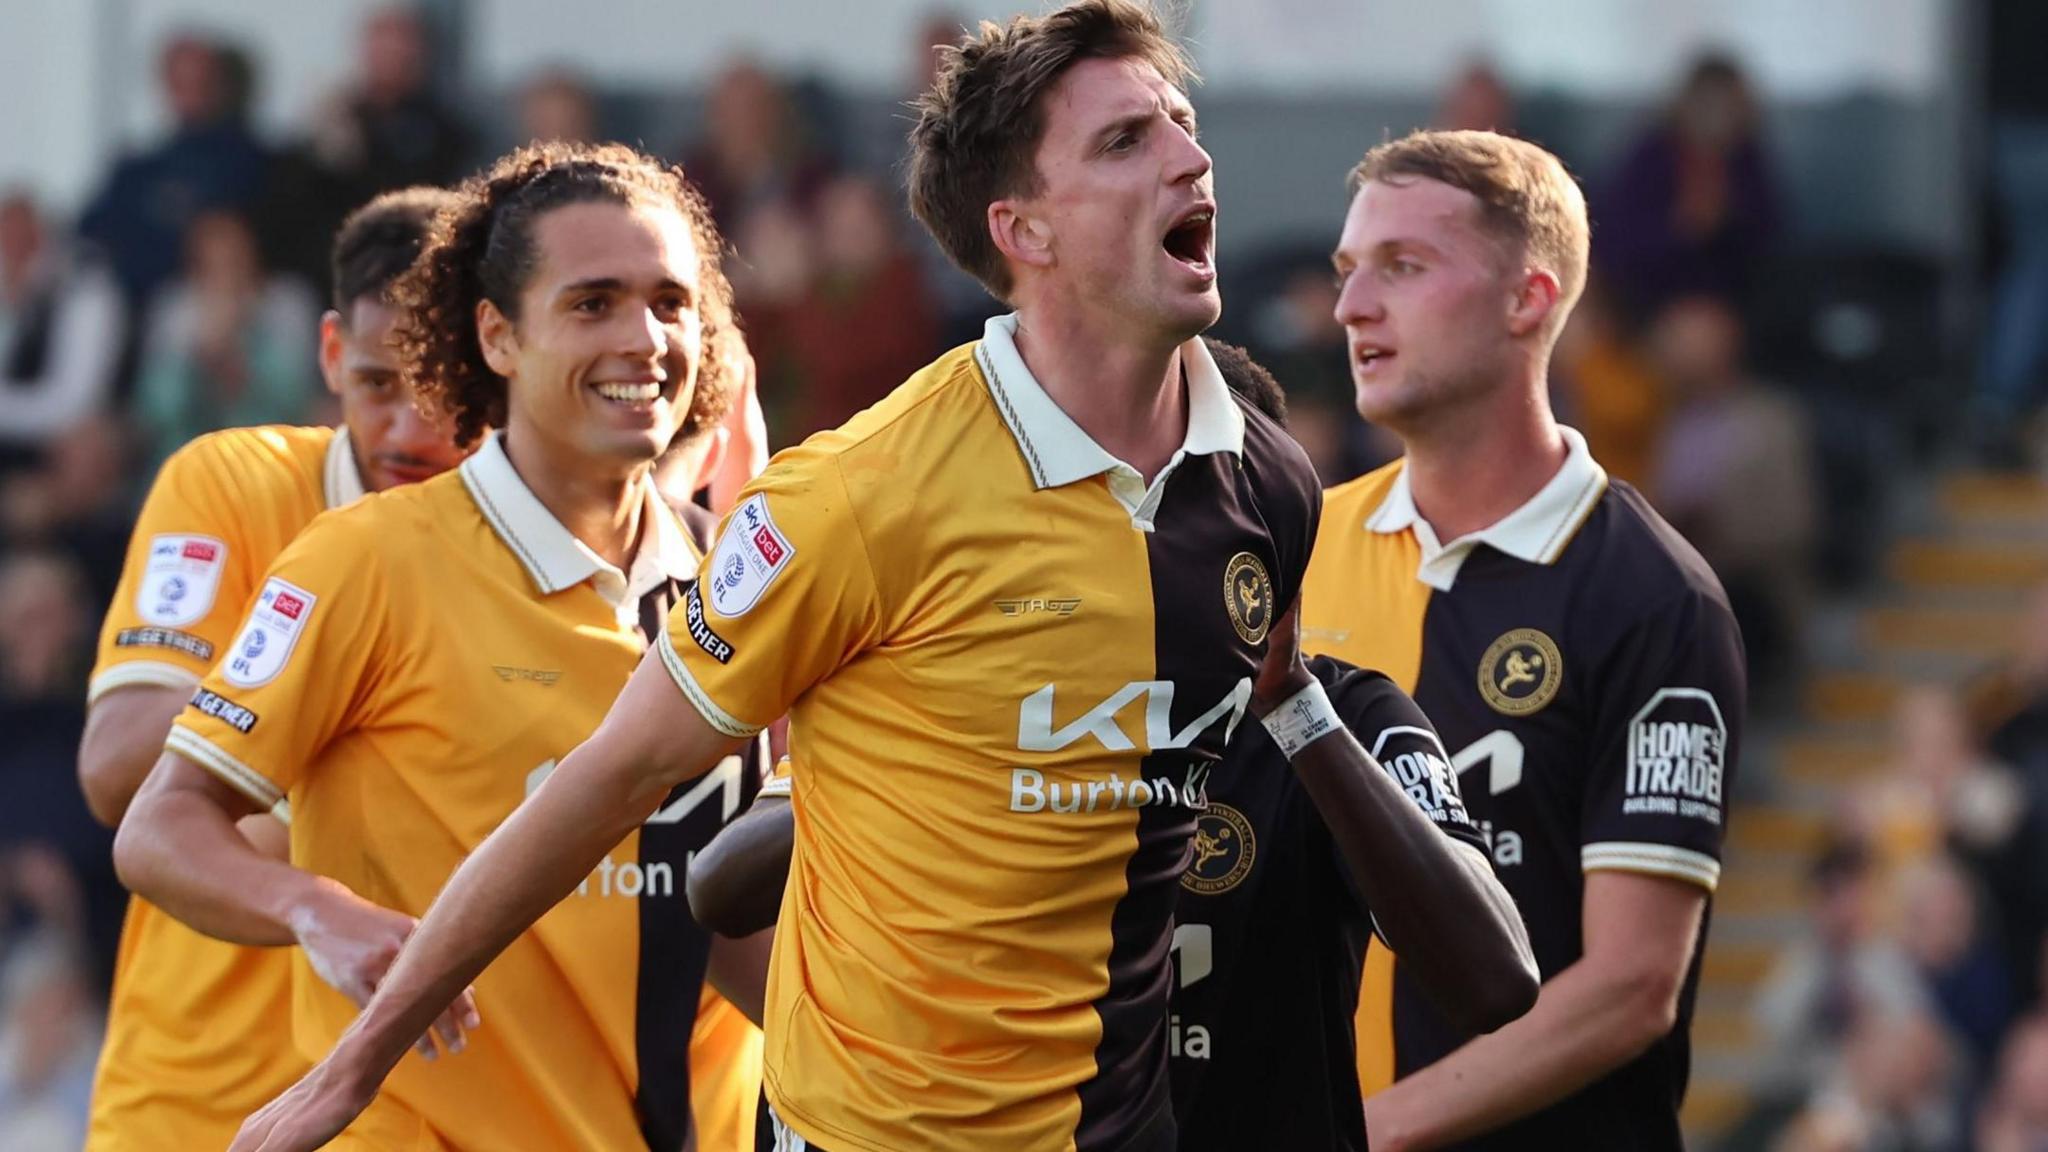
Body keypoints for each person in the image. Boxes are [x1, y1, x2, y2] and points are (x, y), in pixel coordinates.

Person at [222, 6, 1323, 1151]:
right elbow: (612, 775)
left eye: (1180, 123)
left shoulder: (1267, 487)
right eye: (1124, 141)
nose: (1189, 158)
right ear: (1022, 230)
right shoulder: (858, 494)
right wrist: (354, 1065)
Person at [687, 338, 1539, 1152]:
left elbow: (1494, 981)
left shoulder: (1346, 713)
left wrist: (1291, 706)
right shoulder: (978, 691)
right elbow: (720, 888)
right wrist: (942, 762)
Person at [114, 142, 767, 1152]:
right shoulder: (366, 559)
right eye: (592, 303)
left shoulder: (742, 582)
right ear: (497, 336)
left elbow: (730, 925)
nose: (643, 338)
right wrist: (314, 909)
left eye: (670, 303)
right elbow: (159, 825)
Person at [1307, 129, 1747, 1151]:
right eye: (1346, 269)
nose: (1351, 306)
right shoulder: (1297, 551)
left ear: (1528, 300)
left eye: (1402, 266)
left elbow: (1631, 986)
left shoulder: (1654, 598)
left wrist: (1359, 1134)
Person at [73, 187, 466, 1152]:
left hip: (430, 1106)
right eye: (377, 383)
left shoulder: (545, 546)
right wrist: (336, 725)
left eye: (439, 389)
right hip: (193, 1107)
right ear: (330, 354)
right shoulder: (230, 482)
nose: (408, 429)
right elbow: (117, 766)